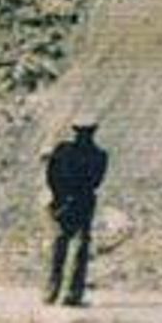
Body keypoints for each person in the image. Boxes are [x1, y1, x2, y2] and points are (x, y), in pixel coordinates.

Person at [43, 116, 108, 306]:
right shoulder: (100, 155)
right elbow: (97, 181)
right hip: (84, 200)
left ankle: (51, 291)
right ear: (94, 131)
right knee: (79, 246)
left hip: (62, 199)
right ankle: (71, 294)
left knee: (59, 245)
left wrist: (57, 197)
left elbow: (51, 174)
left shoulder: (63, 150)